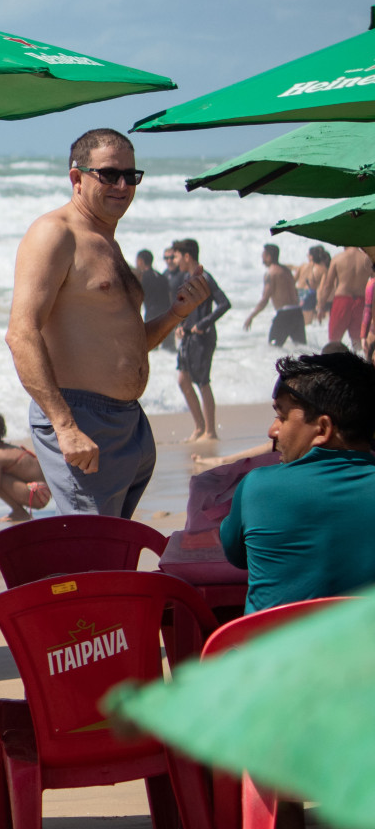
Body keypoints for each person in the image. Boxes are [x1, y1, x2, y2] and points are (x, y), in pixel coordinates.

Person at [5, 129, 211, 518]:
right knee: (90, 558)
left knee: (111, 554)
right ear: (76, 178)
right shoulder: (55, 233)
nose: (122, 185)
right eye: (109, 174)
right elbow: (21, 333)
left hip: (127, 423)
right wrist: (65, 426)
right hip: (82, 420)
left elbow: (123, 344)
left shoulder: (106, 241)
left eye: (130, 176)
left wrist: (175, 315)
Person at [220, 352, 375, 613]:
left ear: (322, 429)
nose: (273, 431)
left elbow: (235, 554)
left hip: (272, 652)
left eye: (282, 416)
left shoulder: (257, 488)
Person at [171, 239, 231, 444]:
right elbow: (189, 309)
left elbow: (224, 304)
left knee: (203, 383)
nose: (174, 260)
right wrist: (181, 325)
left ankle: (211, 432)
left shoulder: (205, 277)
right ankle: (199, 427)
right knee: (183, 380)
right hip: (189, 337)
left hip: (203, 338)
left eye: (176, 256)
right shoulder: (187, 277)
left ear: (187, 256)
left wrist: (204, 323)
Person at [245, 243, 306, 348]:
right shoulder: (286, 271)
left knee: (273, 348)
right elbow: (295, 292)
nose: (262, 258)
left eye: (263, 255)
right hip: (297, 312)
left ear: (269, 257)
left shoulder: (271, 273)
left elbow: (265, 299)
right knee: (302, 349)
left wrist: (251, 316)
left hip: (284, 314)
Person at [321, 243, 372, 353]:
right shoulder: (367, 259)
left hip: (342, 300)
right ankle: (358, 366)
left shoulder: (338, 258)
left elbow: (327, 286)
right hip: (361, 301)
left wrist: (320, 306)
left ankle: (333, 366)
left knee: (334, 340)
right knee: (358, 342)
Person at [137, 249, 173, 347]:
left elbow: (138, 299)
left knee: (152, 348)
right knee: (169, 349)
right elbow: (169, 298)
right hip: (166, 318)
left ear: (141, 261)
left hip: (151, 318)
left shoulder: (142, 278)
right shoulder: (162, 277)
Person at [296, 245, 330, 326]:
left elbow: (293, 280)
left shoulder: (303, 266)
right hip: (310, 293)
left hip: (298, 292)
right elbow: (321, 289)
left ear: (311, 256)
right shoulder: (322, 269)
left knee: (299, 322)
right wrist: (319, 305)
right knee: (308, 323)